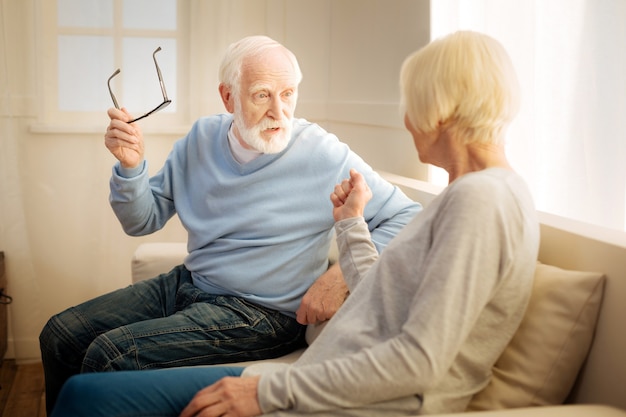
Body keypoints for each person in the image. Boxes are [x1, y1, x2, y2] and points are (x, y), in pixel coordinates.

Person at [49, 30, 540, 417]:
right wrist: (132, 168)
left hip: (259, 314)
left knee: (106, 361)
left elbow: (418, 355)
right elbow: (387, 305)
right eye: (263, 95)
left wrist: (273, 382)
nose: (279, 110)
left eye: (289, 94)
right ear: (228, 97)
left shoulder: (478, 200)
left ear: (440, 111)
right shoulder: (476, 195)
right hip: (194, 286)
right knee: (61, 334)